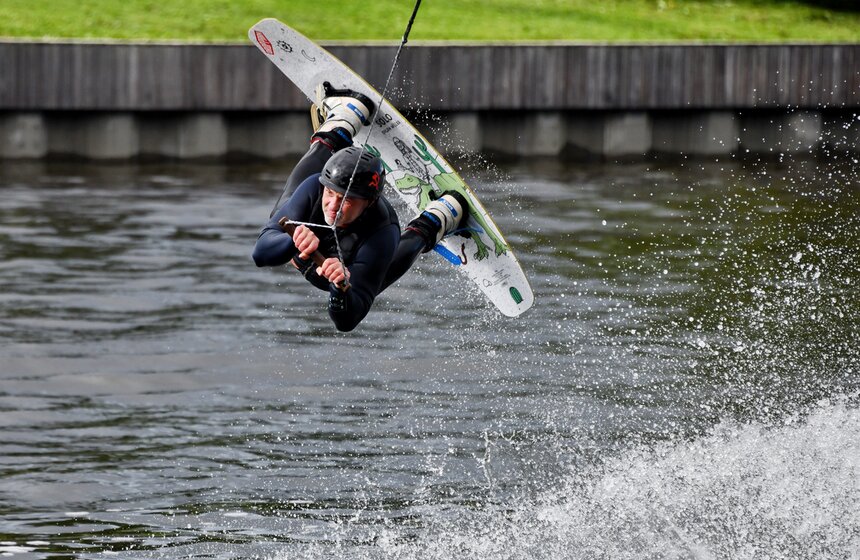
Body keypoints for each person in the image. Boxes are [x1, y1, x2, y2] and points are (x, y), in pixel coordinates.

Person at [252, 83, 468, 332]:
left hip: (352, 270)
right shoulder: (315, 189)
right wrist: (295, 241)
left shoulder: (381, 231)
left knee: (384, 268)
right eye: (331, 194)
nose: (333, 206)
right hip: (306, 250)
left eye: (347, 199)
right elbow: (260, 255)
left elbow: (347, 321)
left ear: (369, 202)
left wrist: (340, 287)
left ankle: (437, 219)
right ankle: (345, 118)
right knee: (286, 209)